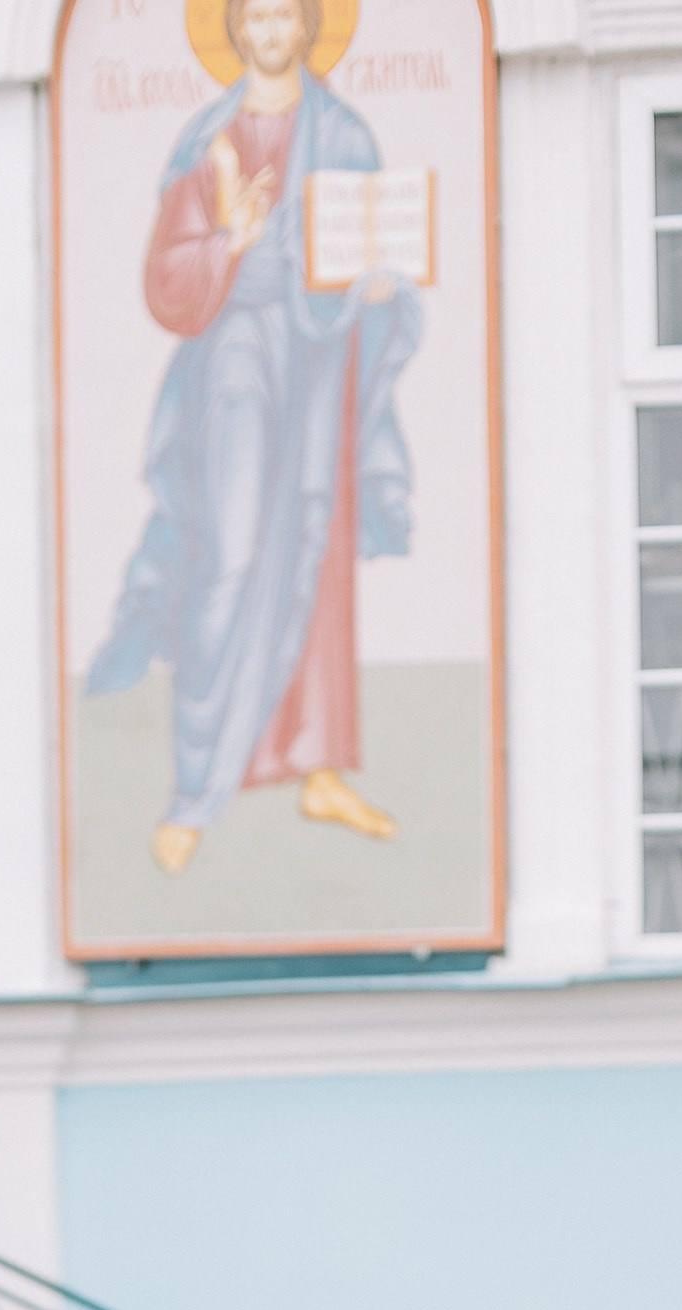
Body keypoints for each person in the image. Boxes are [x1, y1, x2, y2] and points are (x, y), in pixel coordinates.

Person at [88, 0, 423, 874]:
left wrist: (375, 290)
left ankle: (317, 765)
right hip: (235, 355)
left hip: (318, 358)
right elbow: (168, 281)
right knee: (229, 552)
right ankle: (195, 789)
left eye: (286, 17)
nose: (272, 33)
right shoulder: (207, 139)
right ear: (235, 31)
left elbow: (367, 242)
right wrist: (228, 243)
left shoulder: (343, 132)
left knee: (314, 543)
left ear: (309, 28)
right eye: (257, 18)